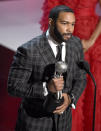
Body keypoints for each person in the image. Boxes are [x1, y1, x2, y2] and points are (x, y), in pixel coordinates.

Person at [7, 5, 86, 131]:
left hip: (64, 123)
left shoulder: (76, 44)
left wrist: (70, 98)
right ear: (51, 22)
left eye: (72, 24)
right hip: (35, 123)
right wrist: (46, 87)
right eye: (65, 23)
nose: (69, 29)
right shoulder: (29, 50)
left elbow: (81, 78)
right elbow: (13, 87)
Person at [40, 0, 101, 130]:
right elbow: (51, 9)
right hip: (64, 36)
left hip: (90, 39)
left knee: (92, 92)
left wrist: (91, 41)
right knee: (67, 91)